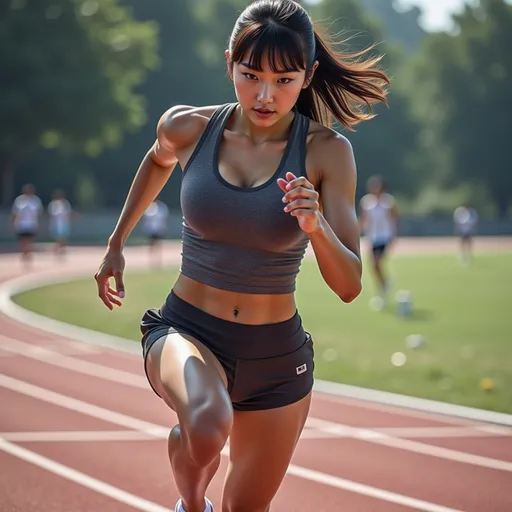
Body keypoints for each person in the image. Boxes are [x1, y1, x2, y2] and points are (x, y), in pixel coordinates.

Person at [94, 1, 389, 510]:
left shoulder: (327, 152)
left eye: (285, 79)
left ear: (309, 75)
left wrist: (314, 225)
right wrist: (116, 243)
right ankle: (191, 503)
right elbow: (157, 158)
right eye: (250, 75)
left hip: (277, 358)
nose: (266, 95)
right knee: (207, 425)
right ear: (229, 61)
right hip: (187, 330)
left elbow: (349, 285)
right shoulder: (189, 127)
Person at [359, 175, 399, 309]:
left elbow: (394, 219)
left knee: (376, 262)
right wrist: (358, 232)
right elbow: (364, 219)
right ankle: (384, 284)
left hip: (384, 236)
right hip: (373, 237)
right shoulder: (366, 202)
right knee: (373, 266)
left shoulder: (388, 202)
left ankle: (384, 289)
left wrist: (394, 236)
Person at [11, 183, 43, 268]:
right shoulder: (19, 200)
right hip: (21, 224)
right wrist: (14, 223)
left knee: (29, 241)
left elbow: (37, 214)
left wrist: (37, 223)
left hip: (31, 224)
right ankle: (24, 255)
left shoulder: (36, 201)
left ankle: (28, 255)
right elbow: (15, 213)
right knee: (23, 241)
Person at [142, 199, 169, 268]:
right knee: (152, 244)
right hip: (151, 229)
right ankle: (152, 260)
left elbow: (164, 218)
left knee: (158, 245)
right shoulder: (150, 207)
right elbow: (146, 218)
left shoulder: (162, 207)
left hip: (158, 229)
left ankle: (158, 260)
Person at [48, 189, 74, 259]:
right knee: (57, 238)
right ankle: (57, 249)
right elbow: (52, 215)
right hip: (56, 224)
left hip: (64, 224)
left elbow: (68, 214)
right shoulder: (53, 204)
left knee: (63, 238)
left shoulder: (65, 203)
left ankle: (62, 250)